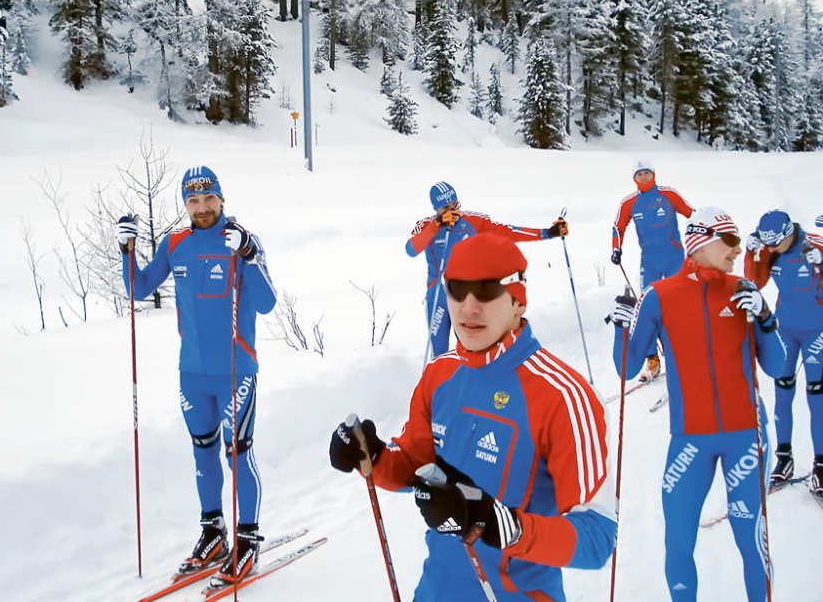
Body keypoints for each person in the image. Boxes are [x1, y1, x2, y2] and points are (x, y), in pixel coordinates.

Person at [332, 233, 615, 602]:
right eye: (457, 290)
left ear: (518, 301)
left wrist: (499, 525)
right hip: (435, 590)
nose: (469, 308)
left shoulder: (564, 396)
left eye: (486, 291)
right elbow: (417, 466)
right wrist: (375, 456)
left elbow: (597, 538)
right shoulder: (439, 374)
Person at [608, 207, 785, 602]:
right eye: (731, 240)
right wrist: (621, 326)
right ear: (701, 241)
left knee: (751, 541)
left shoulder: (744, 291)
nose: (739, 251)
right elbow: (627, 366)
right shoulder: (660, 295)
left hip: (746, 436)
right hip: (690, 441)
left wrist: (766, 318)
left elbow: (777, 366)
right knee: (678, 543)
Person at [117, 166, 276, 584]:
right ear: (185, 204)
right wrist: (126, 251)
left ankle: (247, 541)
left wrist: (249, 256)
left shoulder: (240, 240)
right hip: (192, 374)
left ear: (222, 199)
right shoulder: (176, 243)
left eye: (209, 199)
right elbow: (138, 287)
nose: (202, 208)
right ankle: (214, 532)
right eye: (193, 201)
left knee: (237, 452)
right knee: (203, 452)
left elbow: (266, 303)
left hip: (236, 372)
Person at [405, 181, 567, 359]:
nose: (454, 212)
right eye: (447, 208)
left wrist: (547, 233)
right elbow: (411, 249)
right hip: (438, 298)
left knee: (470, 350)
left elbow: (509, 232)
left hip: (466, 299)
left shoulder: (473, 221)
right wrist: (437, 225)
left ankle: (473, 384)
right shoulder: (426, 225)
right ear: (437, 209)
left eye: (456, 205)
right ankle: (441, 385)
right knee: (439, 354)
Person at [743, 209, 823, 495]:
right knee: (783, 392)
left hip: (817, 331)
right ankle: (784, 459)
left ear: (789, 233)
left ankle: (821, 465)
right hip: (785, 328)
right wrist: (752, 255)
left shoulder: (813, 244)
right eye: (768, 244)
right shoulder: (770, 250)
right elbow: (757, 282)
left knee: (817, 396)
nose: (772, 249)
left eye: (775, 244)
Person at [610, 160, 694, 380]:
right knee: (647, 308)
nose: (644, 177)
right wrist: (615, 249)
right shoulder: (629, 202)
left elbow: (693, 216)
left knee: (678, 306)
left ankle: (683, 354)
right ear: (634, 178)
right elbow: (618, 227)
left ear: (654, 174)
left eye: (647, 173)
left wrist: (702, 244)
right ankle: (652, 358)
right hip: (649, 261)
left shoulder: (668, 194)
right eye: (640, 174)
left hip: (675, 259)